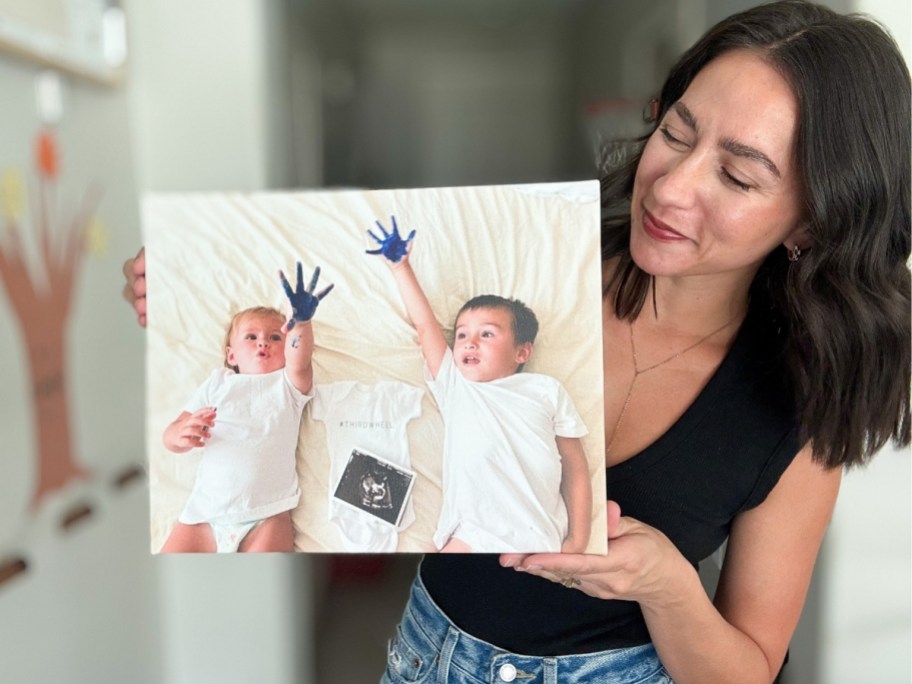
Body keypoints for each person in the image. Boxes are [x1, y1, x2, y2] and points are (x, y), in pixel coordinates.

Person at [123, 1, 910, 679]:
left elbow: (746, 669)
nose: (671, 187)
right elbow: (331, 355)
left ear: (810, 222)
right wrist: (190, 296)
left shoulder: (799, 402)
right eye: (677, 132)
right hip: (428, 660)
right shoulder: (522, 269)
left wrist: (666, 584)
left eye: (737, 177)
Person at [367, 219, 592, 553]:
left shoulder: (546, 390)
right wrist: (401, 269)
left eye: (486, 334)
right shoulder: (456, 384)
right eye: (461, 335)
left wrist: (579, 539)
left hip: (539, 536)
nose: (469, 343)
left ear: (522, 351)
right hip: (473, 533)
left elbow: (575, 466)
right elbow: (426, 326)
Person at [159, 263, 333, 553]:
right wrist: (180, 435)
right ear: (231, 355)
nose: (262, 342)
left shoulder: (288, 383)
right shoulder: (219, 382)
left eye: (275, 337)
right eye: (251, 337)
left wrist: (301, 323)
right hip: (204, 516)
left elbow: (300, 358)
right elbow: (170, 436)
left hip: (266, 515)